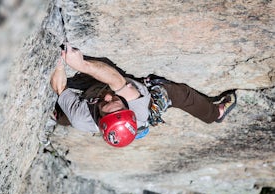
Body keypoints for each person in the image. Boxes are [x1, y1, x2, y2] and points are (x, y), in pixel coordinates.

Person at [50, 44, 237, 148]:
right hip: (145, 103)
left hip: (96, 100)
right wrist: (81, 65)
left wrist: (62, 62)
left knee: (67, 116)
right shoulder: (138, 110)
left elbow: (60, 87)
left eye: (110, 102)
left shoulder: (82, 117)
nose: (109, 97)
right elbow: (115, 82)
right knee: (179, 94)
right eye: (115, 101)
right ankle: (215, 113)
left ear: (100, 119)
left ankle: (58, 116)